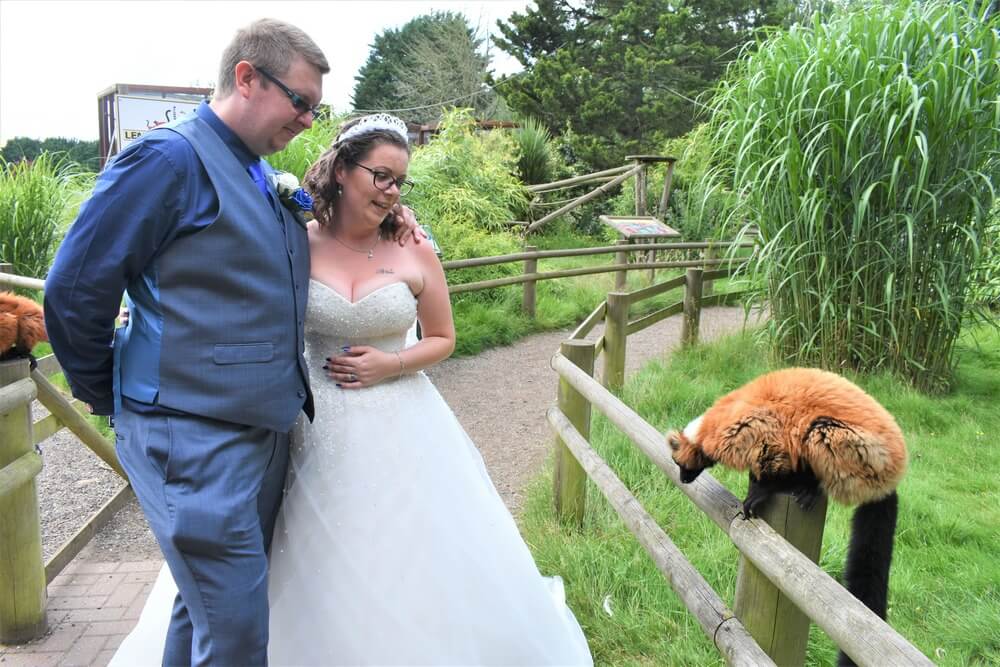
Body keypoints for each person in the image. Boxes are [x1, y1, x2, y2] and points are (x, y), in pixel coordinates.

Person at [111, 113, 594, 665]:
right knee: (274, 554)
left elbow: (443, 338)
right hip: (304, 422)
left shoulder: (416, 249)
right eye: (380, 176)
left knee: (404, 551)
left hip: (401, 425)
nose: (390, 193)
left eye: (399, 182)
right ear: (342, 169)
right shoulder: (293, 239)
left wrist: (392, 364)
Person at [43, 20, 419, 666]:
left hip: (261, 434)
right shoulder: (167, 160)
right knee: (239, 635)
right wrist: (120, 395)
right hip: (192, 437)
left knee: (203, 610)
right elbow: (75, 290)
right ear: (246, 77)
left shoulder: (256, 171)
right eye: (298, 101)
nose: (307, 120)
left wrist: (385, 223)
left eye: (315, 107)